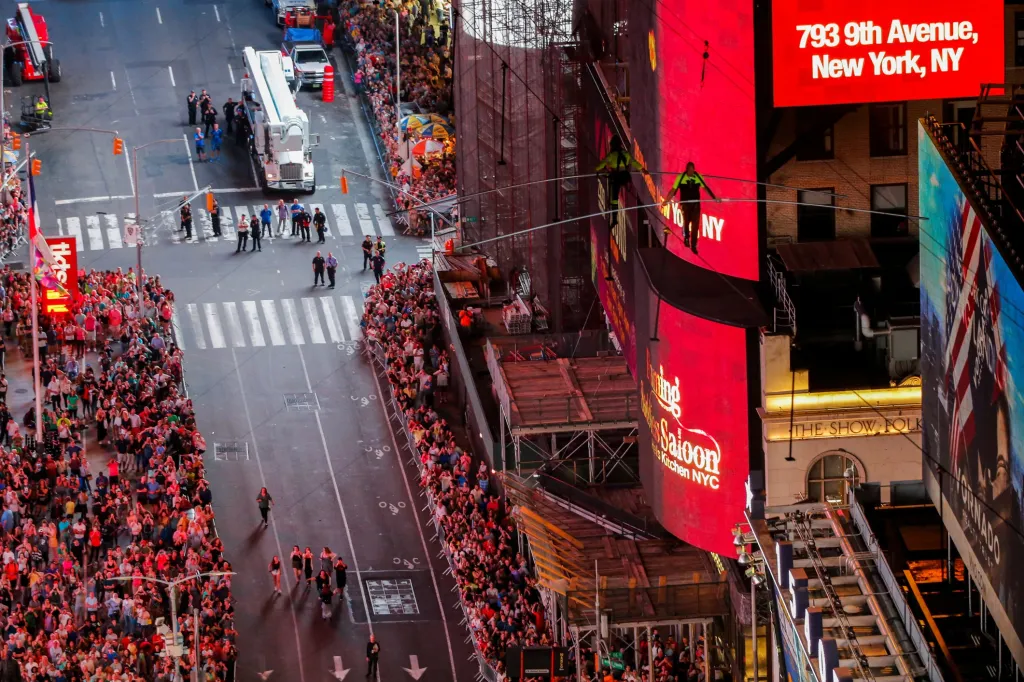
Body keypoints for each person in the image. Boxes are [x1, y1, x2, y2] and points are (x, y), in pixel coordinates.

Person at [663, 161, 718, 254]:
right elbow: (673, 190)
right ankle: (686, 238)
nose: (692, 172)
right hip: (685, 204)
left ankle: (694, 245)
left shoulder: (698, 176)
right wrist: (666, 201)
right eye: (690, 171)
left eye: (693, 170)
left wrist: (714, 198)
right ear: (687, 169)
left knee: (695, 225)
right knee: (686, 221)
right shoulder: (680, 178)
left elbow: (705, 188)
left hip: (696, 204)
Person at [595, 136, 643, 226]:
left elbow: (600, 165)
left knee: (614, 198)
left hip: (616, 177)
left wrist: (596, 169)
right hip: (625, 177)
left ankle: (614, 218)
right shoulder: (626, 154)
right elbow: (635, 163)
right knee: (621, 188)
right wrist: (643, 170)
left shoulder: (611, 155)